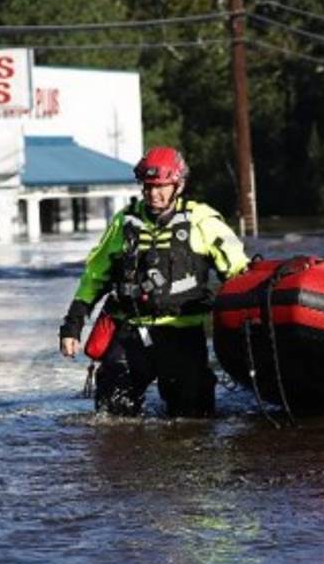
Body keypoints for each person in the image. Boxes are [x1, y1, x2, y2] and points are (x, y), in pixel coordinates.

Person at [58, 146, 249, 417]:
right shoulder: (124, 223)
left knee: (193, 421)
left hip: (182, 334)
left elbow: (238, 272)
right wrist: (72, 325)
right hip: (132, 332)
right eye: (148, 186)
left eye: (161, 186)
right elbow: (94, 277)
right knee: (111, 414)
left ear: (178, 186)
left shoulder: (202, 221)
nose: (153, 194)